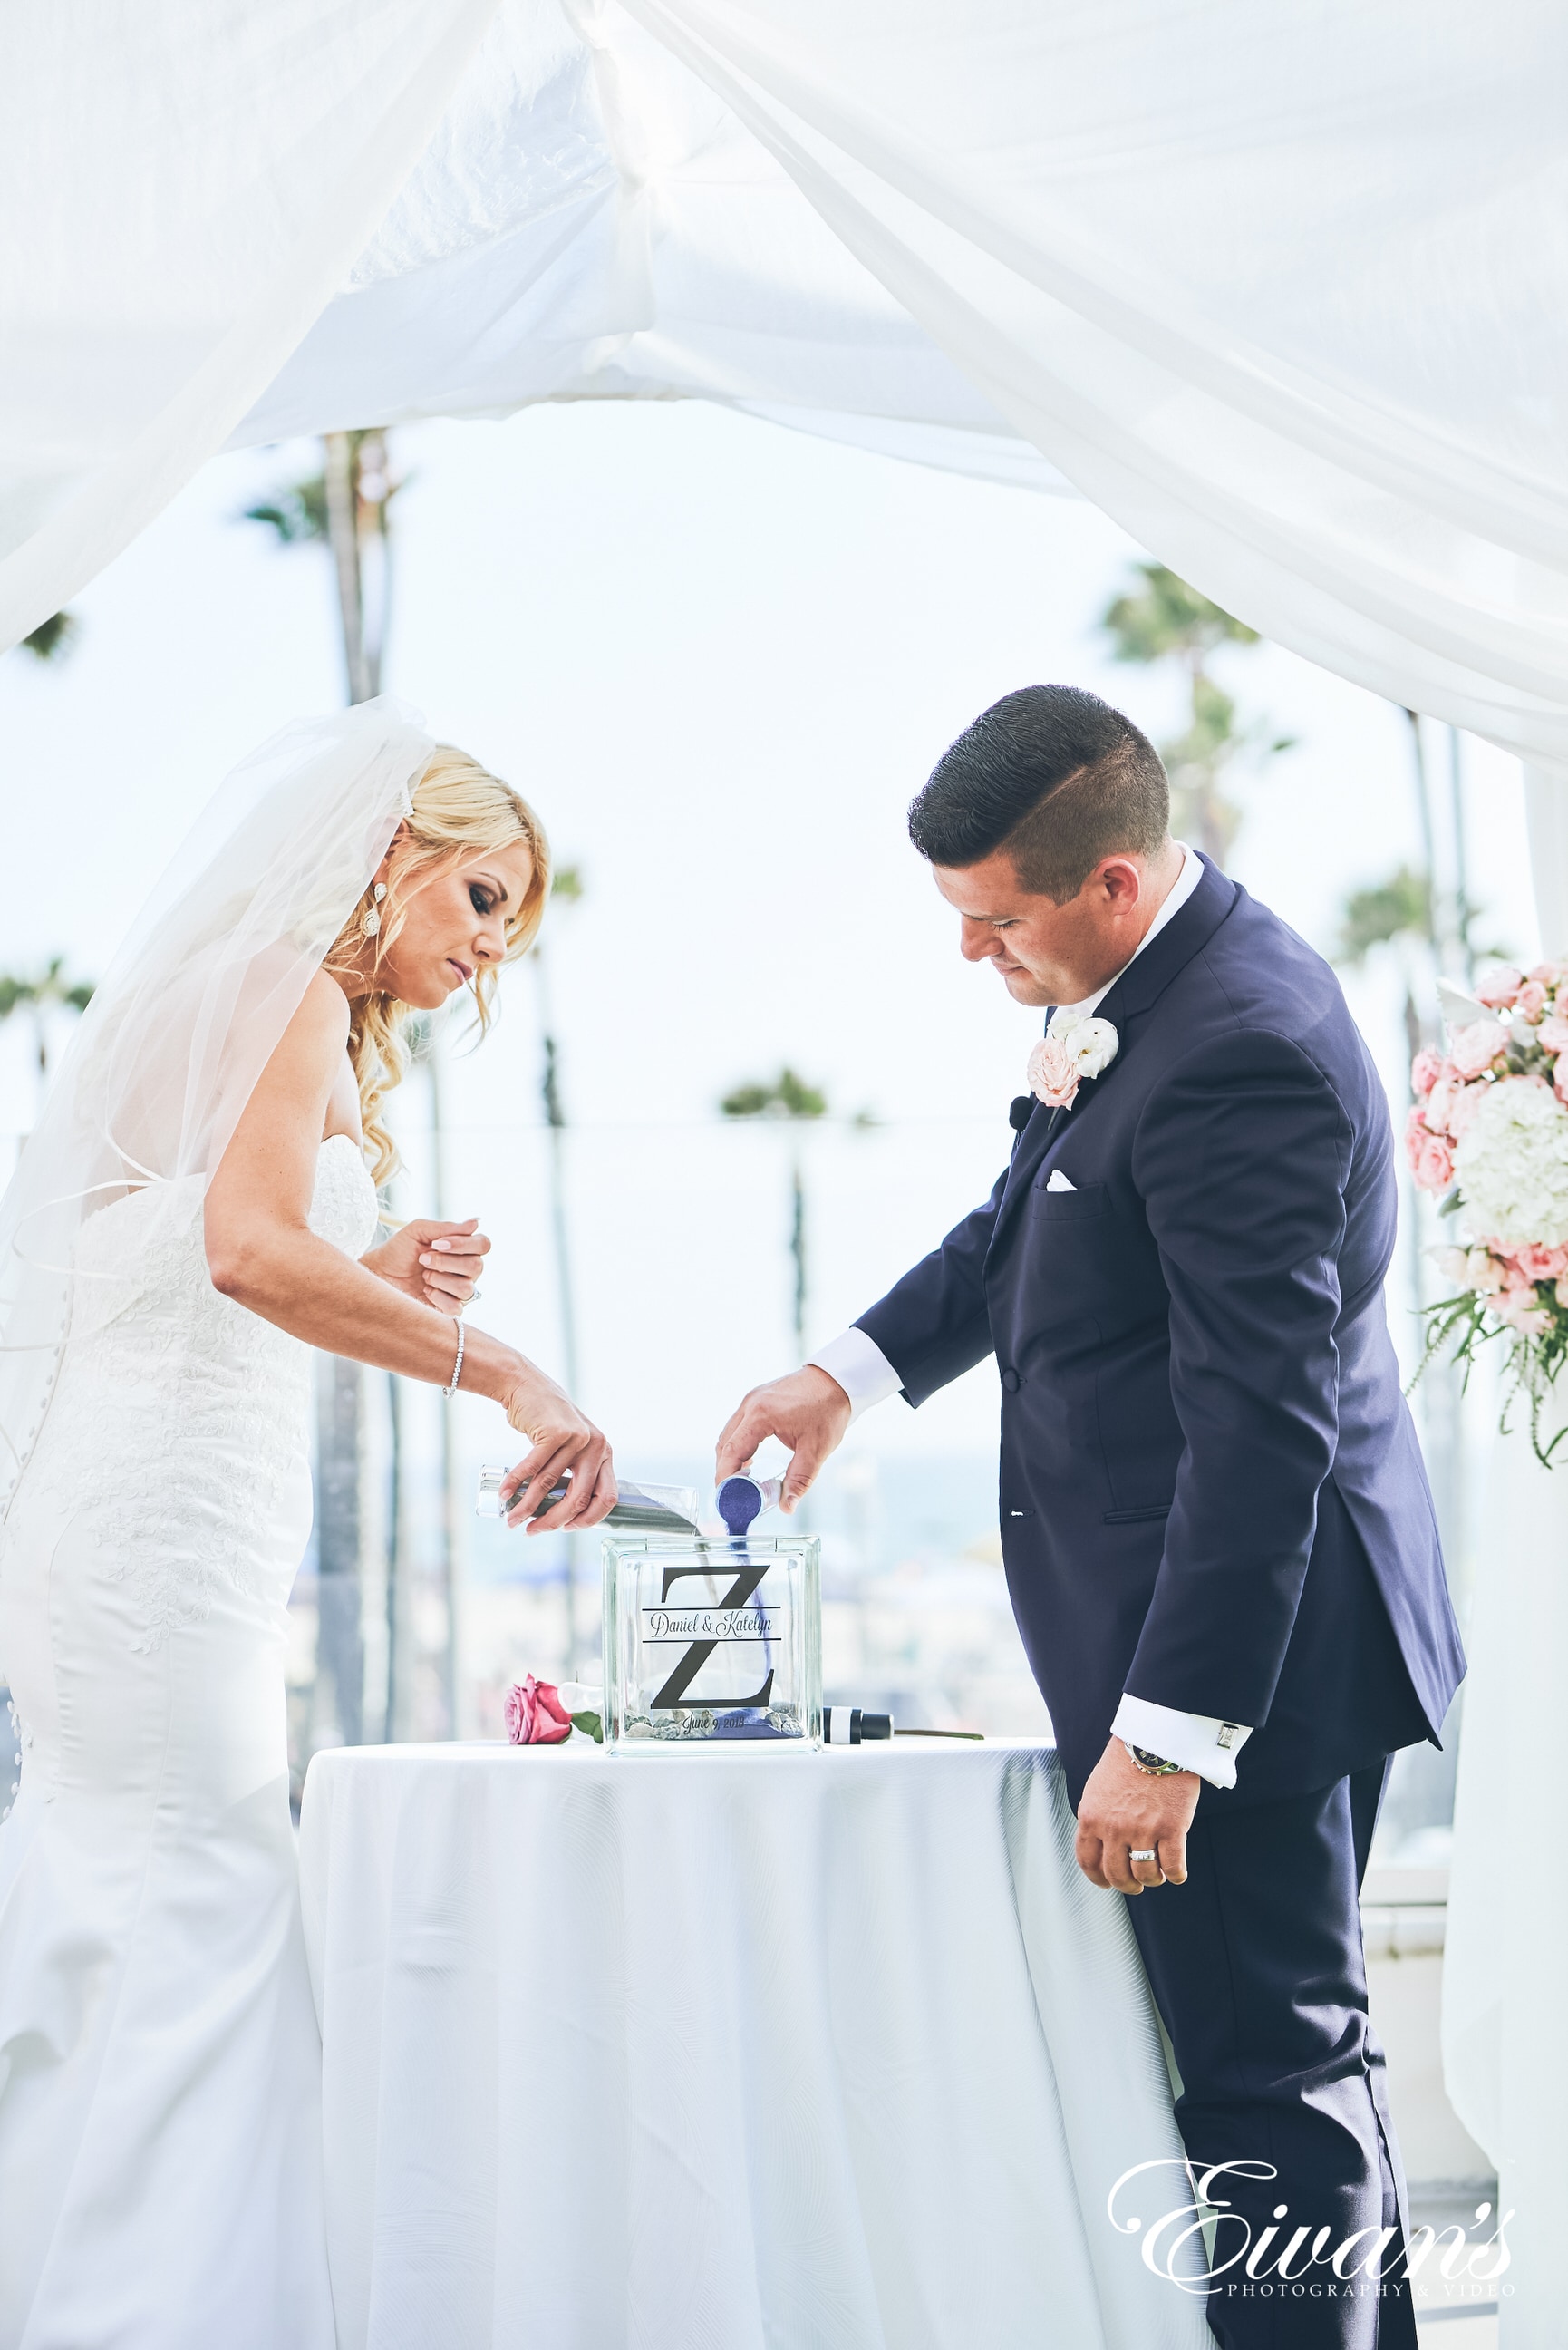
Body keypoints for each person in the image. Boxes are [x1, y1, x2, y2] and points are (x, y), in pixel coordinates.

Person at [716, 685, 1465, 2348]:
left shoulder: (1240, 1048)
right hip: (1201, 1634)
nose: (976, 960)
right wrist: (842, 1374)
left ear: (1107, 883)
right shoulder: (1141, 989)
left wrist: (1176, 1731)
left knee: (1272, 2077)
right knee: (1268, 2066)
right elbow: (1020, 1229)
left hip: (1249, 1654)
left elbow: (1260, 1433)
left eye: (995, 925)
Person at [0, 704, 615, 2349]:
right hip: (148, 1543)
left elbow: (185, 1245)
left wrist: (384, 1265)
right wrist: (507, 1373)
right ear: (393, 848)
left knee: (131, 1889)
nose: (487, 957)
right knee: (190, 1892)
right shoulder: (275, 986)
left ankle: (91, 2276)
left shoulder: (252, 1007)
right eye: (481, 900)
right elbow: (249, 1258)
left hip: (147, 1533)